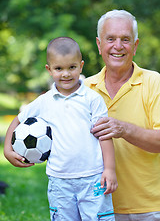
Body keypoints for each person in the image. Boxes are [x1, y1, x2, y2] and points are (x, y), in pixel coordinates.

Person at [4, 37, 118, 221]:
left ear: (81, 66)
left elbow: (105, 135)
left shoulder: (92, 99)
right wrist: (7, 150)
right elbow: (17, 120)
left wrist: (110, 169)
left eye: (71, 67)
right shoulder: (44, 101)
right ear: (49, 70)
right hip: (60, 181)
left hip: (93, 178)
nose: (66, 74)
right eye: (59, 68)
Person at [84, 9, 160, 221]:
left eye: (125, 39)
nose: (118, 46)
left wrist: (124, 129)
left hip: (150, 209)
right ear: (99, 45)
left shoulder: (155, 83)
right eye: (111, 39)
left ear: (135, 46)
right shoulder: (84, 89)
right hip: (97, 206)